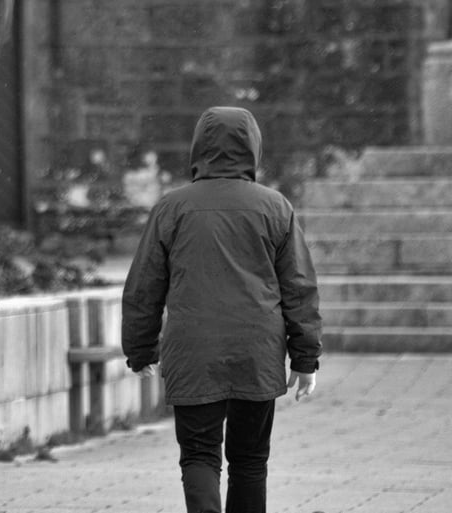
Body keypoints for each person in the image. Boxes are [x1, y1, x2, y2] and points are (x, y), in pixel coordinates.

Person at [121, 106, 322, 513]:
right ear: (253, 148)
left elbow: (144, 287)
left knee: (199, 455)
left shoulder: (171, 208)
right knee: (250, 461)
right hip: (257, 350)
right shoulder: (275, 207)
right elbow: (299, 288)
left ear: (198, 148)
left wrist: (140, 349)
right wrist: (305, 358)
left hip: (194, 349)